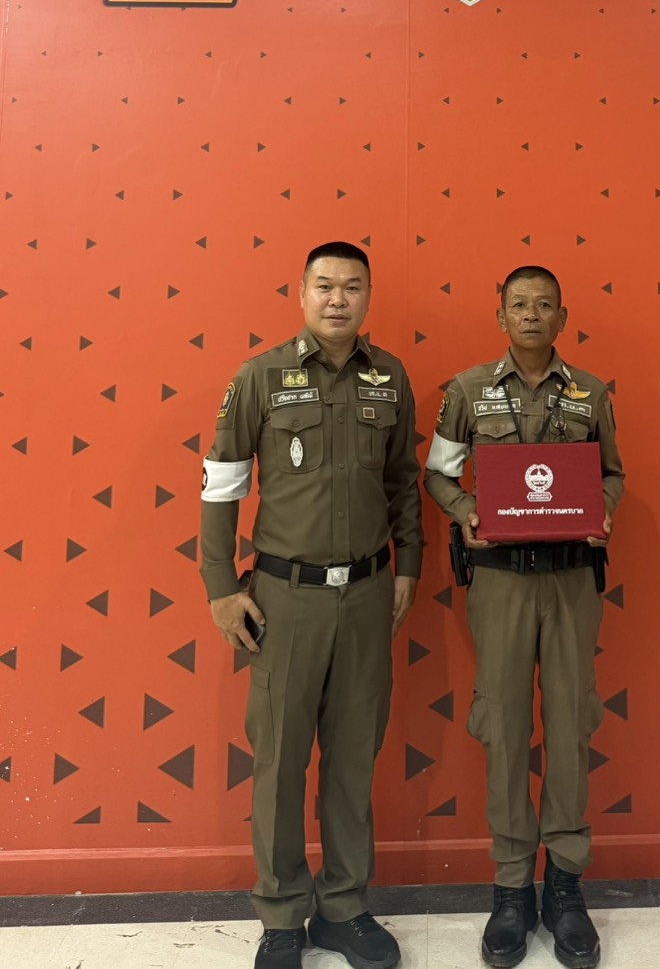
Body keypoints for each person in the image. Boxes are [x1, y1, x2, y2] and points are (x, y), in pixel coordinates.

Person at [199, 241, 423, 969]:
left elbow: (403, 482)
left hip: (367, 595)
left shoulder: (390, 377)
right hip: (284, 600)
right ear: (300, 293)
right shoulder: (260, 377)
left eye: (352, 287)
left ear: (367, 297)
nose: (337, 299)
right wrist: (220, 586)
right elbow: (223, 480)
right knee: (280, 764)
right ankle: (281, 919)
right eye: (324, 286)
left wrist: (408, 567)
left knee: (353, 761)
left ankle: (345, 909)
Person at [423, 267, 624, 969]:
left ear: (562, 317)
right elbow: (439, 473)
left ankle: (564, 886)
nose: (532, 314)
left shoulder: (590, 393)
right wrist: (465, 512)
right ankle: (511, 888)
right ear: (500, 316)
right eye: (519, 304)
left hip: (571, 581)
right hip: (500, 583)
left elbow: (613, 473)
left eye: (544, 305)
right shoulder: (467, 391)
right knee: (504, 727)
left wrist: (603, 510)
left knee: (570, 723)